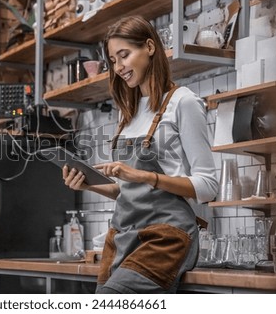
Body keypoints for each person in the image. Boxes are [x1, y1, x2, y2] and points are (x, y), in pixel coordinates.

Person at [62, 15, 218, 293]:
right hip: (121, 236)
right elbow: (128, 191)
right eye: (113, 60)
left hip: (165, 236)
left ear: (149, 47)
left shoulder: (184, 102)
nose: (119, 67)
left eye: (124, 55)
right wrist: (90, 184)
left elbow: (208, 187)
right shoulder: (128, 113)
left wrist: (147, 176)